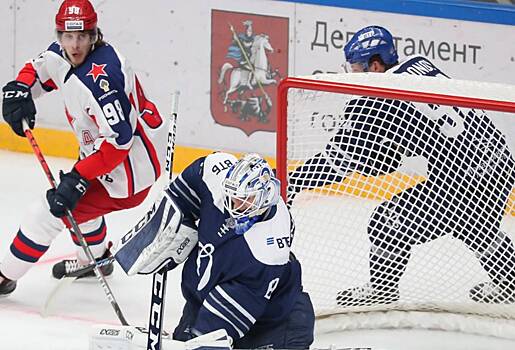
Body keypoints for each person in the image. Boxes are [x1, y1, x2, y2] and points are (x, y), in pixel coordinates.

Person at [287, 25, 515, 305]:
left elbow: (340, 161)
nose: (352, 74)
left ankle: (382, 293)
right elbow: (406, 141)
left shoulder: (376, 101)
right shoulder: (420, 64)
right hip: (500, 165)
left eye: (357, 67)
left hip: (462, 180)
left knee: (386, 223)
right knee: (476, 225)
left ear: (375, 64)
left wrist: (293, 182)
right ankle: (510, 285)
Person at [0, 0, 168, 295]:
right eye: (67, 36)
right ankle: (97, 259)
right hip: (101, 150)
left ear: (94, 36)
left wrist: (79, 177)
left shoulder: (104, 80)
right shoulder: (62, 53)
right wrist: (20, 89)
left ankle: (4, 276)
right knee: (76, 202)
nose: (74, 45)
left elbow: (119, 144)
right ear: (60, 35)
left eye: (82, 37)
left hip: (129, 171)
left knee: (49, 211)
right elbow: (38, 70)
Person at [137, 152, 314, 349]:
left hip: (275, 324)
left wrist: (198, 341)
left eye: (245, 200)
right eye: (233, 198)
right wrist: (170, 220)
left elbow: (215, 328)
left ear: (264, 196)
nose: (236, 206)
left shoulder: (268, 249)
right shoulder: (216, 172)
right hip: (208, 297)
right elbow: (191, 183)